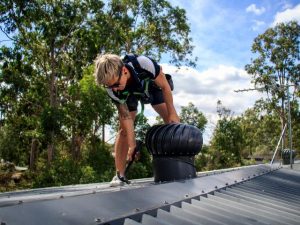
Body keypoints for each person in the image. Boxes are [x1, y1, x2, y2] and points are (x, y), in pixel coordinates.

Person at [94, 53, 180, 186]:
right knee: (123, 131)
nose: (114, 88)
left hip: (151, 87)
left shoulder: (143, 63)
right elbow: (126, 117)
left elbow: (164, 86)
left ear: (123, 70)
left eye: (116, 83)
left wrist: (172, 114)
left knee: (171, 121)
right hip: (129, 95)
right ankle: (119, 175)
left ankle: (179, 164)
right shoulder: (113, 90)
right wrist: (132, 145)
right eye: (110, 86)